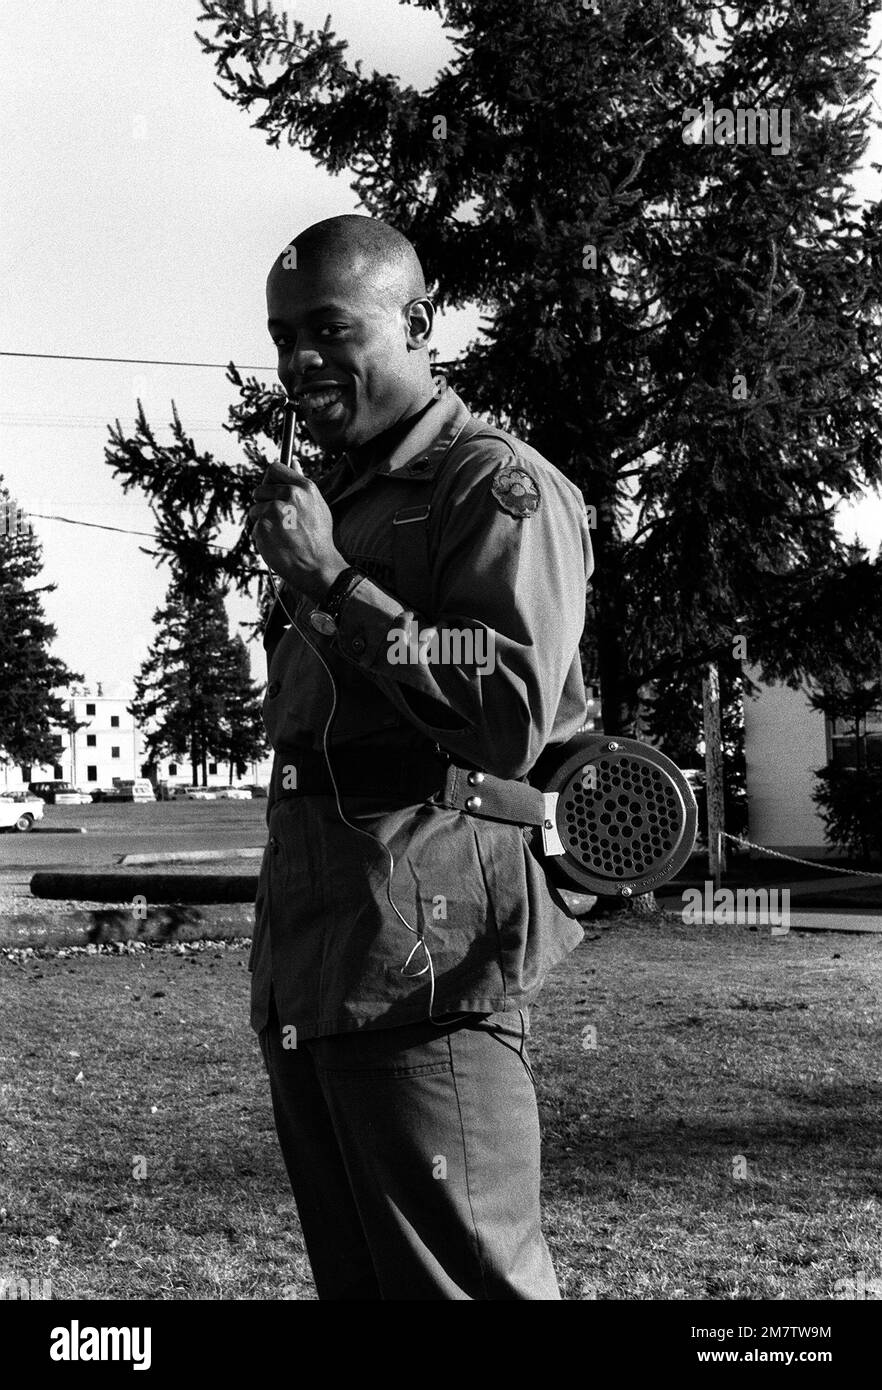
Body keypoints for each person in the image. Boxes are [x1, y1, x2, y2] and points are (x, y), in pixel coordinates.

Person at [247, 214, 593, 1300]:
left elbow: (506, 708)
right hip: (324, 954)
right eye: (283, 335)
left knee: (468, 1287)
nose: (301, 360)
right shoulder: (342, 498)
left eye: (329, 329)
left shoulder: (493, 487)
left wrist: (336, 582)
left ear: (418, 323)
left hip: (430, 962)